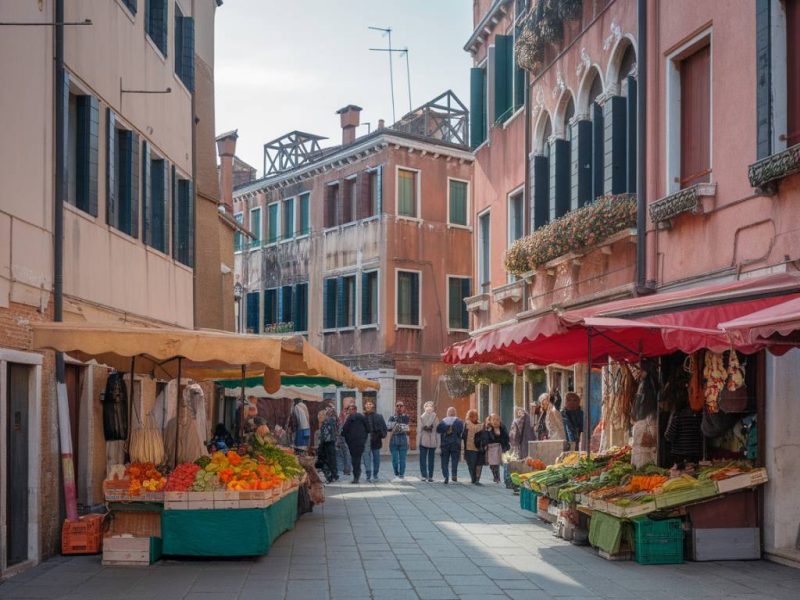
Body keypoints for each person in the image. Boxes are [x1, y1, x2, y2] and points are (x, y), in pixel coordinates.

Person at [341, 404, 369, 484]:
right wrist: (364, 438)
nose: (349, 411)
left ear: (355, 410)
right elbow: (368, 429)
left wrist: (345, 436)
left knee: (355, 460)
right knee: (357, 459)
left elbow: (344, 430)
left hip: (353, 443)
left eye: (350, 409)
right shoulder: (362, 417)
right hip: (360, 442)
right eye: (349, 409)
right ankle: (357, 475)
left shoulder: (350, 418)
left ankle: (356, 476)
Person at [479, 414, 510, 484]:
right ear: (490, 420)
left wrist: (505, 444)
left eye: (497, 419)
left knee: (502, 463)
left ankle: (502, 477)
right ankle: (496, 476)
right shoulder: (488, 427)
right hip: (492, 448)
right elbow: (485, 437)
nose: (496, 421)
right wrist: (485, 444)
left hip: (501, 447)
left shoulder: (502, 427)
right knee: (493, 464)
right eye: (494, 419)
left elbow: (506, 437)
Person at [436, 407, 464, 484]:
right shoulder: (459, 421)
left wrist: (446, 428)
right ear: (455, 413)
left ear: (447, 413)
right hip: (455, 443)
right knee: (455, 460)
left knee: (444, 460)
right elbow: (461, 430)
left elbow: (438, 430)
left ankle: (446, 476)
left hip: (445, 444)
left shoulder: (443, 421)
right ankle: (454, 475)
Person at [363, 400, 387, 482]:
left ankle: (375, 474)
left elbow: (384, 428)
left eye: (370, 403)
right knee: (366, 458)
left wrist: (381, 435)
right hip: (366, 440)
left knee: (376, 458)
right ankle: (368, 474)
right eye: (367, 404)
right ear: (365, 406)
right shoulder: (362, 417)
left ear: (373, 405)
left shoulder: (379, 416)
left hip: (376, 439)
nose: (368, 405)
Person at [387, 401, 410, 482]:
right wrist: (397, 426)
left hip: (403, 441)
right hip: (394, 441)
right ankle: (396, 472)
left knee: (402, 459)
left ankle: (401, 474)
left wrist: (396, 427)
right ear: (395, 407)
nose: (399, 407)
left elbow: (405, 428)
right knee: (395, 460)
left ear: (403, 407)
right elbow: (389, 428)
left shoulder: (406, 417)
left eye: (401, 406)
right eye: (397, 406)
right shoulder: (391, 417)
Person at [316, 407, 338, 483]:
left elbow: (325, 436)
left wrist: (320, 445)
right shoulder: (331, 420)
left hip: (327, 444)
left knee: (327, 461)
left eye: (319, 416)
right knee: (332, 460)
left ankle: (330, 477)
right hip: (331, 443)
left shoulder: (325, 423)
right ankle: (334, 476)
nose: (318, 418)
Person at [418, 401, 439, 482]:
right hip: (430, 439)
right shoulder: (435, 417)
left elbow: (420, 429)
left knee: (424, 459)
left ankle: (425, 475)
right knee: (430, 459)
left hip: (425, 439)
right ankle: (429, 476)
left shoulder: (422, 417)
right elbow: (437, 428)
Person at [463, 409, 485, 485]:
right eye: (475, 416)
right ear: (470, 416)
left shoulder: (479, 423)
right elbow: (474, 428)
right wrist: (484, 425)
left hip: (478, 447)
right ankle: (473, 478)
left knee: (478, 464)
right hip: (470, 448)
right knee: (472, 465)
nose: (476, 417)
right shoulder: (467, 423)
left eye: (477, 416)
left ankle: (477, 479)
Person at [335, 405, 352, 477]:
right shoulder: (343, 417)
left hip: (345, 439)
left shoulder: (347, 417)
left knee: (346, 454)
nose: (344, 411)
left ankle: (347, 470)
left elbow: (341, 429)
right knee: (345, 454)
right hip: (343, 439)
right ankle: (346, 469)